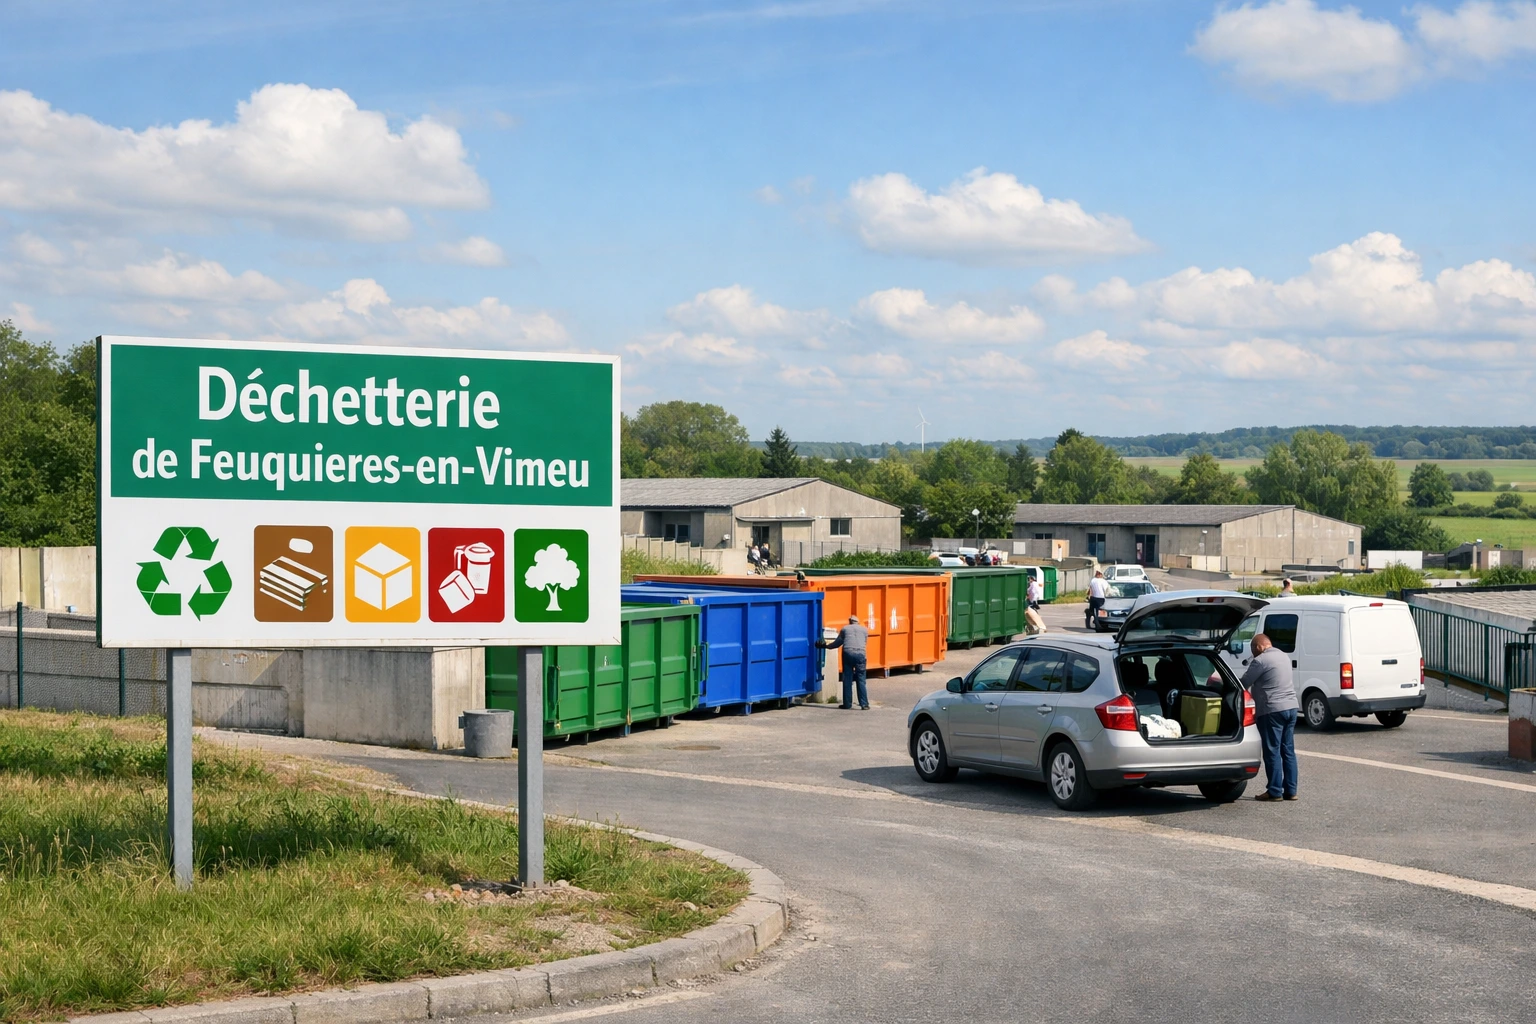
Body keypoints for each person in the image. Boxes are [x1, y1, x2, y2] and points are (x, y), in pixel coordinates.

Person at [1241, 632, 1299, 801]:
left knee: (1272, 751)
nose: (1253, 654)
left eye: (1253, 649)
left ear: (1259, 646)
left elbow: (1244, 682)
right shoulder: (1284, 656)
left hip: (1272, 710)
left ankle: (1274, 791)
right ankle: (1291, 790)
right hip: (1291, 707)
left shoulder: (1260, 661)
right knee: (1287, 750)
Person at [817, 615, 870, 710]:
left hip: (848, 653)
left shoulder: (845, 629)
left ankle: (847, 704)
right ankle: (864, 704)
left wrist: (826, 646)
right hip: (861, 655)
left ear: (850, 621)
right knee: (861, 679)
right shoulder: (865, 630)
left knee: (847, 679)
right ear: (857, 622)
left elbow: (837, 643)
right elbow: (864, 643)